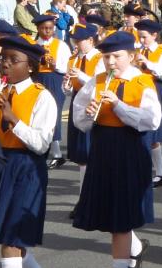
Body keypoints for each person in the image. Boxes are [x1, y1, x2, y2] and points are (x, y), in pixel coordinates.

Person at [72, 31, 160, 268]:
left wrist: (118, 106)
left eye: (117, 57)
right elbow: (79, 120)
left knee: (121, 220)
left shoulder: (142, 82)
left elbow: (152, 121)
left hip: (129, 151)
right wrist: (90, 115)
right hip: (102, 151)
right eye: (106, 57)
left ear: (131, 56)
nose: (110, 62)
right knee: (112, 216)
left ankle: (127, 257)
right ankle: (134, 250)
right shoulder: (97, 81)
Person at [0, 35, 56, 268]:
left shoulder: (42, 96)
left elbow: (41, 144)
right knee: (12, 240)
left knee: (11, 240)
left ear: (29, 66)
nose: (5, 64)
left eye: (13, 59)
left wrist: (14, 121)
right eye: (2, 58)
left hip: (26, 169)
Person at [62, 23, 104, 219]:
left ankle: (87, 200)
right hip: (77, 105)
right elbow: (69, 91)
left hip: (93, 105)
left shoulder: (99, 58)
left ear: (90, 40)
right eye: (74, 41)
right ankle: (84, 199)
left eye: (80, 41)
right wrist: (67, 85)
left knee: (90, 154)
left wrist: (81, 76)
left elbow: (100, 84)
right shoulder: (73, 58)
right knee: (80, 155)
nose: (76, 45)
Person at [134, 19, 162, 188]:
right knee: (141, 133)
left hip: (157, 91)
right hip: (141, 90)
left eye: (144, 37)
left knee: (154, 135)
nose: (142, 40)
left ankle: (160, 173)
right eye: (140, 36)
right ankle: (148, 171)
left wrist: (148, 64)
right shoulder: (140, 51)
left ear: (154, 35)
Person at [33, 14, 72, 169]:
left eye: (49, 28)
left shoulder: (60, 45)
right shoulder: (34, 45)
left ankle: (57, 153)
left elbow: (66, 66)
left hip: (54, 79)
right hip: (38, 79)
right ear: (38, 29)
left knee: (53, 114)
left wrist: (55, 64)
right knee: (39, 114)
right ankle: (42, 148)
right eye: (43, 28)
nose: (47, 31)